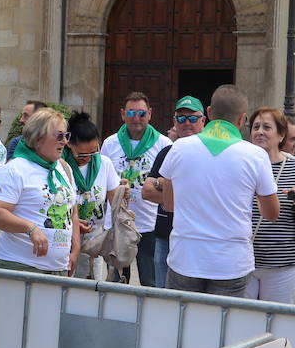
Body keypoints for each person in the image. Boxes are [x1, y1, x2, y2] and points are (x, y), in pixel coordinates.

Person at [158, 85, 278, 298]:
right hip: (231, 261)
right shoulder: (256, 156)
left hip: (186, 256)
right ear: (242, 120)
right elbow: (271, 214)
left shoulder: (179, 148)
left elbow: (169, 204)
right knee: (224, 327)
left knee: (180, 326)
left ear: (210, 113)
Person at [0, 108, 79, 275]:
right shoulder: (15, 169)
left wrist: (75, 250)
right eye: (59, 135)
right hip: (21, 266)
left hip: (58, 268)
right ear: (38, 138)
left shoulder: (63, 168)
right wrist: (30, 228)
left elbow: (72, 212)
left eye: (66, 135)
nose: (64, 141)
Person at [247, 107, 295, 304]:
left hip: (283, 266)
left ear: (281, 135)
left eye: (266, 127)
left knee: (277, 326)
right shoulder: (241, 162)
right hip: (243, 263)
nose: (260, 132)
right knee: (242, 325)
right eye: (255, 127)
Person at [101, 92, 171, 286]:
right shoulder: (110, 143)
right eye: (131, 113)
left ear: (150, 114)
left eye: (141, 113)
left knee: (151, 282)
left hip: (149, 224)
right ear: (123, 114)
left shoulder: (164, 144)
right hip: (117, 224)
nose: (136, 119)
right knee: (116, 283)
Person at [142, 95, 204, 288]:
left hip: (196, 238)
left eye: (192, 118)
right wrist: (186, 194)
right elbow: (147, 192)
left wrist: (164, 185)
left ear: (203, 120)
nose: (187, 123)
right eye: (181, 118)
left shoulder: (209, 154)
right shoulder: (166, 152)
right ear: (174, 121)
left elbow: (205, 195)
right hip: (165, 235)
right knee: (163, 296)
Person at [64, 111, 122, 280]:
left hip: (94, 243)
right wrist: (74, 222)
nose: (88, 159)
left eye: (93, 152)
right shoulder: (61, 165)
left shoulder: (104, 164)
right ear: (68, 144)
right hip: (66, 241)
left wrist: (122, 195)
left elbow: (115, 201)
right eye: (82, 155)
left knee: (92, 288)